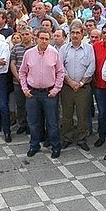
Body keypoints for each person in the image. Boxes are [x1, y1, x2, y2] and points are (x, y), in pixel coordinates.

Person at [20, 29, 65, 157]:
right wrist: (25, 89)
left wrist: (56, 89)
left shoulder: (54, 53)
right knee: (33, 122)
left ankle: (55, 146)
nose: (44, 41)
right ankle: (34, 145)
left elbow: (60, 72)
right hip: (32, 93)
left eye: (46, 39)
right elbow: (22, 72)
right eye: (42, 38)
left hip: (49, 93)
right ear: (36, 39)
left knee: (52, 122)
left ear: (49, 39)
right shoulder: (28, 53)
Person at [59, 23, 95, 150]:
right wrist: (70, 81)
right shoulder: (63, 49)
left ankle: (81, 138)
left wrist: (80, 83)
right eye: (72, 33)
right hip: (67, 87)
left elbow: (91, 67)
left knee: (82, 114)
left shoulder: (89, 48)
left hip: (83, 87)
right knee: (67, 114)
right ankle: (67, 137)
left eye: (77, 33)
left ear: (82, 34)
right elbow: (60, 67)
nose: (75, 35)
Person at [10, 25, 34, 135]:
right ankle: (22, 124)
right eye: (23, 34)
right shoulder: (16, 48)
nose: (25, 36)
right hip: (18, 81)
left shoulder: (35, 48)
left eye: (27, 34)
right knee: (20, 104)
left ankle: (31, 125)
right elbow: (12, 64)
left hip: (31, 82)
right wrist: (19, 78)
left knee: (31, 104)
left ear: (31, 35)